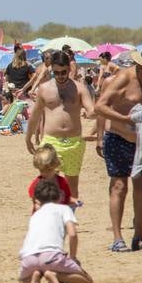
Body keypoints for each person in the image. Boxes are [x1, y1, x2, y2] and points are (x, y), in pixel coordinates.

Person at [94, 44, 142, 252]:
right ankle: (117, 238)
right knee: (119, 186)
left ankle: (138, 236)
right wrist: (124, 118)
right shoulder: (124, 79)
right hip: (118, 137)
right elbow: (100, 106)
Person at [25, 50, 93, 202]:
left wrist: (93, 112)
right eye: (57, 73)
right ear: (52, 70)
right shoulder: (44, 89)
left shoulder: (80, 88)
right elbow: (35, 116)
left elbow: (91, 109)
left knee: (72, 187)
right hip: (51, 141)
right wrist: (28, 137)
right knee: (47, 183)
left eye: (64, 72)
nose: (61, 76)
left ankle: (67, 220)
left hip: (74, 142)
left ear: (70, 69)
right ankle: (49, 218)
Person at [19, 179, 91, 283]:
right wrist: (73, 257)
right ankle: (55, 275)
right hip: (51, 256)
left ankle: (36, 276)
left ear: (37, 201)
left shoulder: (35, 215)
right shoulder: (64, 209)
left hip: (29, 257)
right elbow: (72, 234)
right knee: (86, 280)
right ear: (60, 197)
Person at [27, 145, 72, 210]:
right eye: (42, 170)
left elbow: (67, 196)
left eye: (48, 170)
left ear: (55, 166)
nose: (45, 173)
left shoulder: (62, 182)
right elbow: (33, 197)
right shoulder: (37, 183)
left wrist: (72, 202)